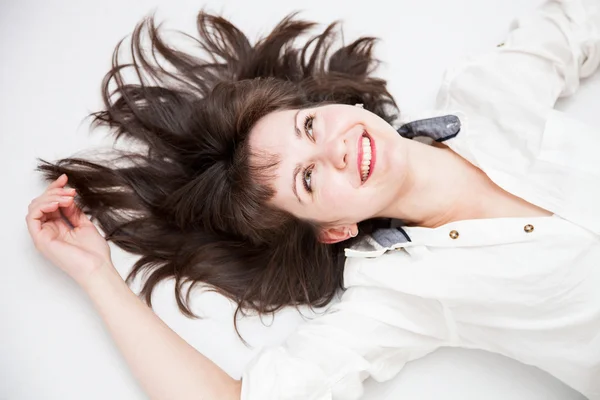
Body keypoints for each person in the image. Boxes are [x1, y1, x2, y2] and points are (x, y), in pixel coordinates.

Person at [25, 0, 600, 399]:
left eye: (308, 126)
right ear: (333, 230)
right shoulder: (402, 295)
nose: (335, 150)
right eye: (307, 179)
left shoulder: (489, 91)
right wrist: (97, 276)